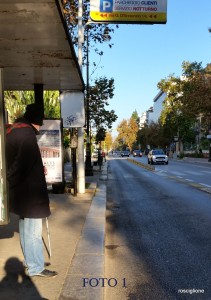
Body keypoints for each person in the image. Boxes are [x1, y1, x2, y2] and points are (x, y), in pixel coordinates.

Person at [6, 103, 58, 278]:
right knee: (33, 233)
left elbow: (21, 161)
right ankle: (36, 267)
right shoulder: (27, 134)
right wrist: (10, 181)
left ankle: (31, 263)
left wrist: (36, 167)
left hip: (22, 194)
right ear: (35, 120)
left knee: (25, 230)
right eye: (40, 122)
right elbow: (22, 165)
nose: (41, 126)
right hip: (31, 194)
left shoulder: (14, 129)